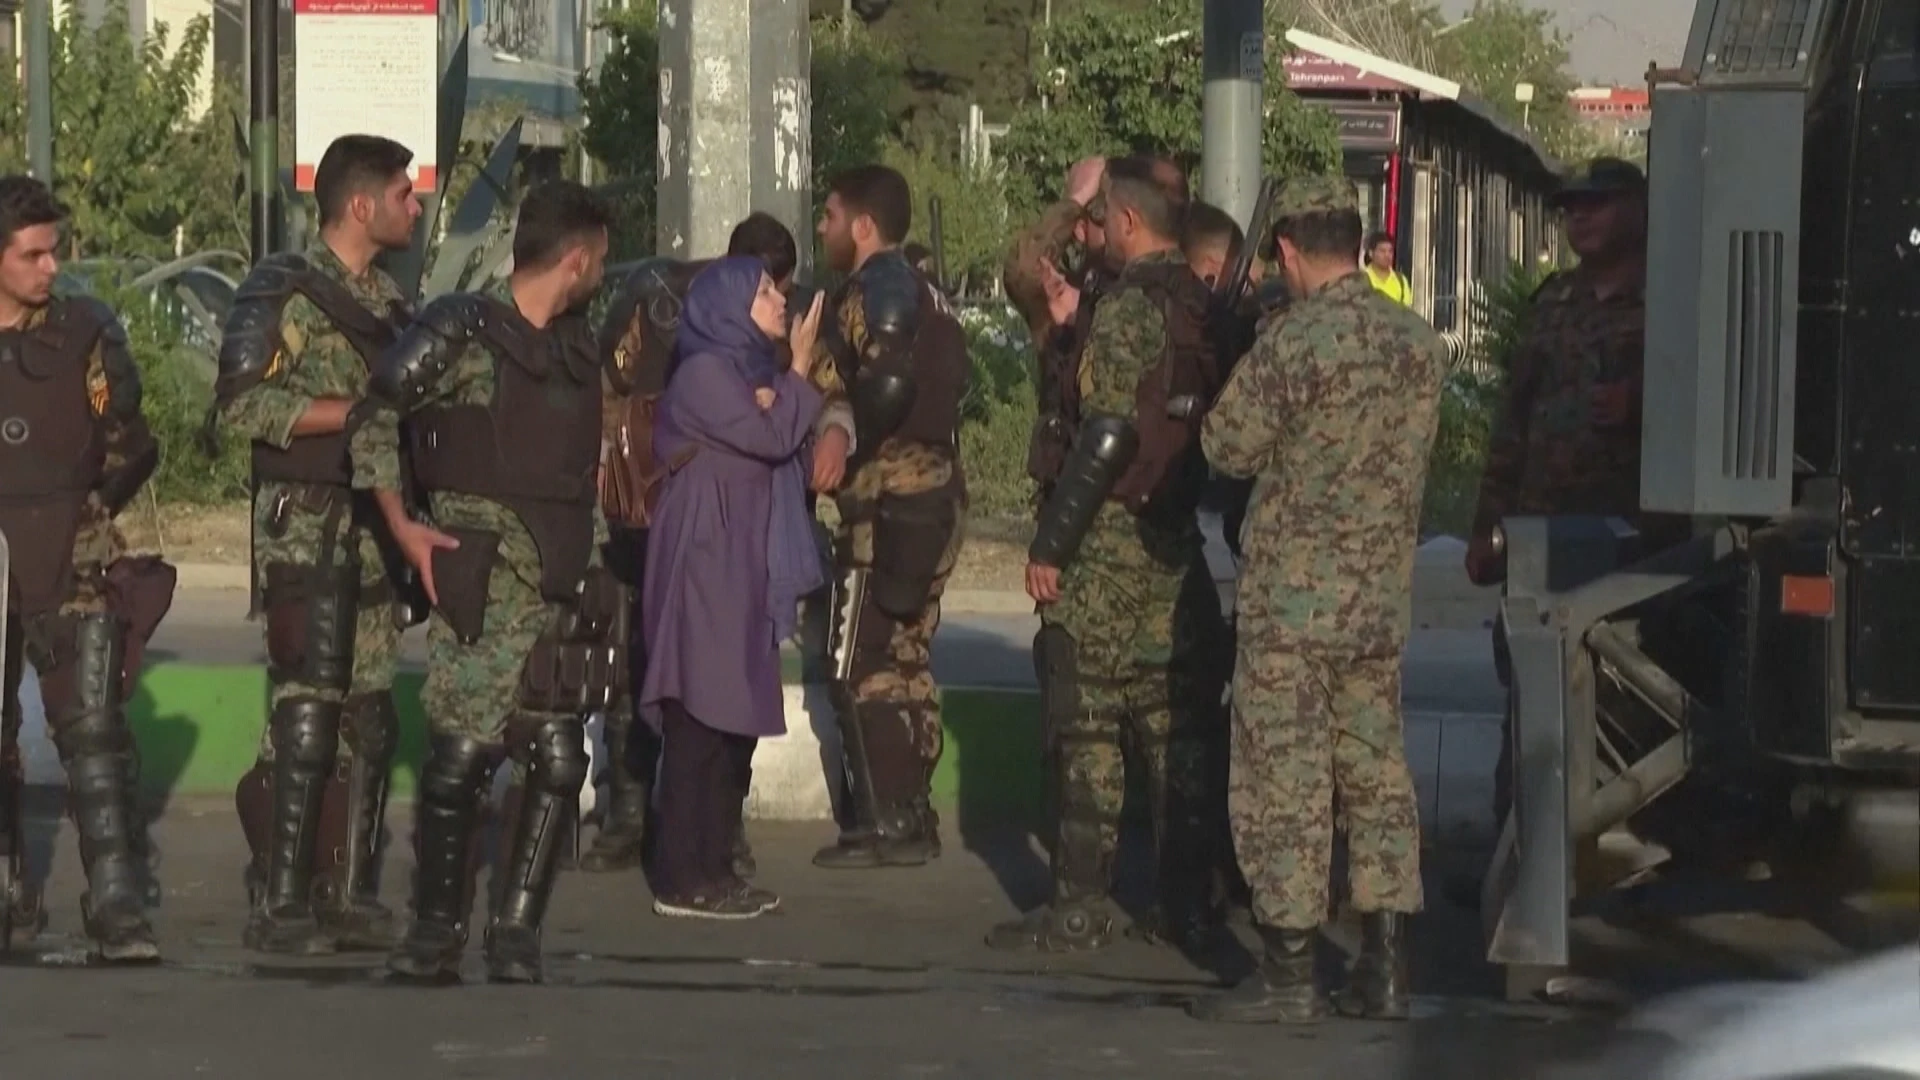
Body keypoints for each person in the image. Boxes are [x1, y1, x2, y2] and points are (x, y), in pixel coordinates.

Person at [351, 180, 619, 985]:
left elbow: (581, 467)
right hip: (482, 573)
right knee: (462, 759)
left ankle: (515, 935)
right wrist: (401, 524)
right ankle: (435, 934)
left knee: (558, 758)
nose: (603, 271)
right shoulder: (462, 331)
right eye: (600, 259)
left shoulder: (578, 346)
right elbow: (375, 415)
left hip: (562, 575)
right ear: (574, 259)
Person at [1189, 176, 1443, 1024]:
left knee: (1284, 780)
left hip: (1293, 607)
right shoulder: (1417, 342)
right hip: (1377, 601)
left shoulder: (1296, 342)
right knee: (1376, 776)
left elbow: (1225, 445)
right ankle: (1387, 967)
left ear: (1291, 252)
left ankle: (1288, 973)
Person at [988, 156, 1226, 954]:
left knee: (1085, 722)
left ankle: (1080, 905)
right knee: (1174, 729)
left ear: (1124, 222)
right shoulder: (1200, 303)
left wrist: (1053, 541)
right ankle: (1187, 906)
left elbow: (1110, 432)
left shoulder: (1128, 308)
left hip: (1110, 541)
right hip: (1176, 537)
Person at [212, 134, 422, 956]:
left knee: (369, 718)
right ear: (362, 204)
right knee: (306, 712)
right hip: (306, 522)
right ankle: (281, 895)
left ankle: (347, 888)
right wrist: (356, 412)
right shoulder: (284, 293)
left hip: (376, 526)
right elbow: (239, 409)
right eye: (404, 193)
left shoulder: (393, 306)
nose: (415, 205)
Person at [587, 211, 805, 880]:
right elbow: (610, 387)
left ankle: (683, 829)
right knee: (669, 680)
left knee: (703, 684)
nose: (780, 299)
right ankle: (653, 825)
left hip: (693, 523)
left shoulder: (728, 333)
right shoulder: (694, 333)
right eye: (769, 287)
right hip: (664, 517)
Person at [1464, 157, 1674, 828]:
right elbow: (1512, 426)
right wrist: (1487, 526)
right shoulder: (1552, 303)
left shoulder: (1672, 300)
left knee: (1629, 701)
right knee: (1530, 698)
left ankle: (1622, 851)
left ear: (1639, 209)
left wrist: (1646, 403)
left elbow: (1720, 407)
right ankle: (1519, 853)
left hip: (1635, 546)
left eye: (1599, 203)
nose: (1580, 217)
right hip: (1542, 540)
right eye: (1572, 207)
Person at [0, 176, 173, 962]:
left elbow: (130, 440)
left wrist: (90, 510)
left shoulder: (85, 331)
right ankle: (11, 890)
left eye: (54, 250)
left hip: (76, 542)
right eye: (32, 254)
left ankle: (117, 902)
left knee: (94, 731)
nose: (50, 267)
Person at [639, 257, 827, 918]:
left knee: (730, 724)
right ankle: (681, 874)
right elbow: (772, 438)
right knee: (700, 715)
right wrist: (797, 369)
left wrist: (784, 386)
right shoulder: (705, 373)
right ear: (726, 308)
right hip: (705, 555)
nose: (780, 300)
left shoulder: (742, 372)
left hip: (737, 558)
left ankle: (715, 867)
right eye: (765, 291)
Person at [807, 164, 970, 869]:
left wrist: (847, 439)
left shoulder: (880, 287)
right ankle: (911, 815)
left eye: (831, 215)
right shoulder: (933, 292)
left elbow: (887, 379)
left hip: (891, 495)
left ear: (863, 224)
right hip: (935, 491)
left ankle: (881, 821)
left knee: (864, 656)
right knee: (907, 655)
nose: (823, 228)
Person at [1363, 231, 1412, 306]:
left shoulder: (1401, 281)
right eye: (1382, 251)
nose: (1387, 255)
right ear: (1371, 253)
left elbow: (1407, 311)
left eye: (1390, 251)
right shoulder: (1361, 278)